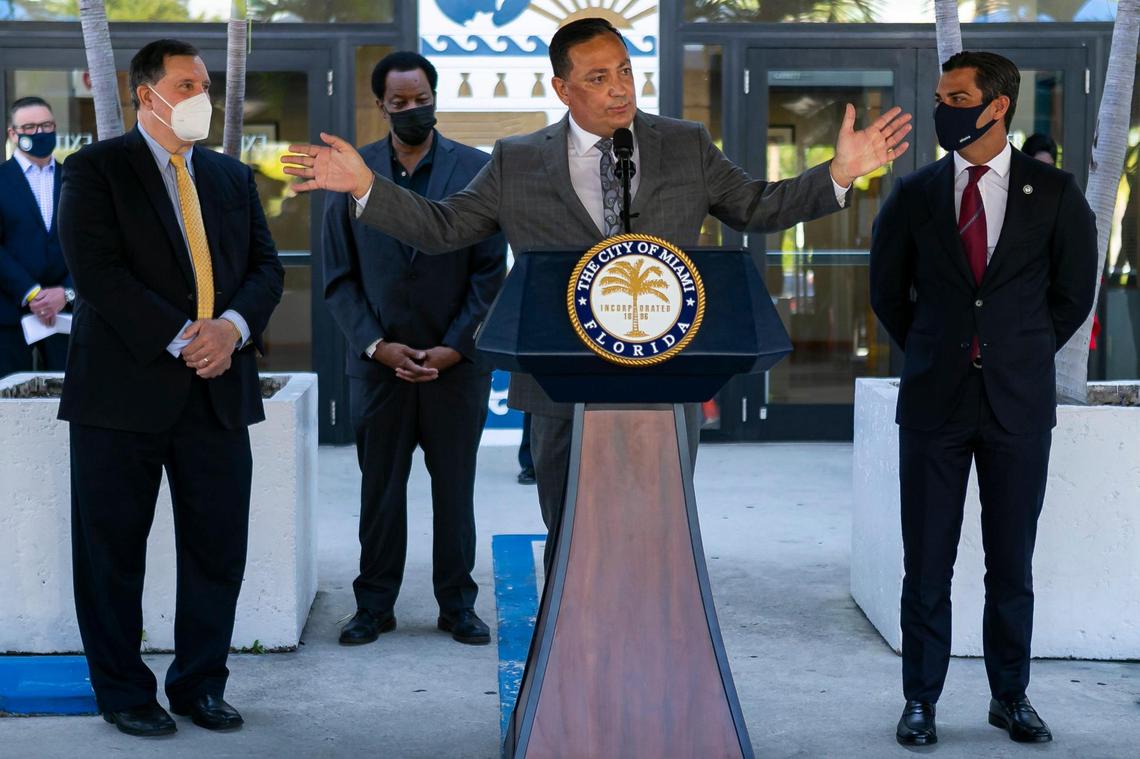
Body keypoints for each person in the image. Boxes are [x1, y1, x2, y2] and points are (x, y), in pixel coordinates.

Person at [283, 16, 911, 562]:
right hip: (561, 387)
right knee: (571, 536)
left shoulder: (685, 144)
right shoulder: (518, 159)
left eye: (624, 71)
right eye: (597, 78)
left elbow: (755, 205)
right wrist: (367, 187)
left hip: (668, 376)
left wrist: (836, 175)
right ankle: (572, 675)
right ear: (561, 88)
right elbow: (446, 225)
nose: (619, 88)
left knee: (662, 535)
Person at [57, 39, 284, 737]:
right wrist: (189, 334)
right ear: (144, 94)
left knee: (218, 547)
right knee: (111, 552)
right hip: (121, 395)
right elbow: (96, 272)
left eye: (205, 83)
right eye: (187, 83)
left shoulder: (230, 177)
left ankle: (200, 684)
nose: (201, 96)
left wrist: (233, 328)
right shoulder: (96, 170)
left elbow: (266, 270)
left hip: (217, 392)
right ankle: (124, 690)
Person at [869, 51, 1096, 747]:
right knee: (927, 562)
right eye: (942, 95)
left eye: (957, 95)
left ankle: (1010, 695)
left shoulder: (1054, 193)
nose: (945, 107)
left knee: (1011, 562)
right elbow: (888, 294)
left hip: (1017, 406)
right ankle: (920, 700)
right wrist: (943, 350)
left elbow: (1071, 297)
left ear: (996, 106)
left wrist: (1011, 352)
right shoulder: (915, 194)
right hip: (935, 403)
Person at [323, 51, 506, 647]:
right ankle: (373, 606)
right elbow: (338, 277)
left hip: (455, 371)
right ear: (382, 106)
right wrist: (377, 346)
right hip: (380, 370)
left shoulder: (477, 171)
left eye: (420, 99)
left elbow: (489, 275)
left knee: (455, 492)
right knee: (380, 494)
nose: (412, 110)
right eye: (399, 103)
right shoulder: (355, 173)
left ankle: (457, 605)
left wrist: (454, 348)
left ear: (435, 96)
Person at [0, 96, 72, 377]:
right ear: (12, 133)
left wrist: (65, 292)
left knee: (67, 401)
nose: (39, 133)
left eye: (46, 125)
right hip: (8, 315)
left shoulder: (75, 179)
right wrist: (32, 292)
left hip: (65, 314)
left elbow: (92, 245)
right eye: (29, 127)